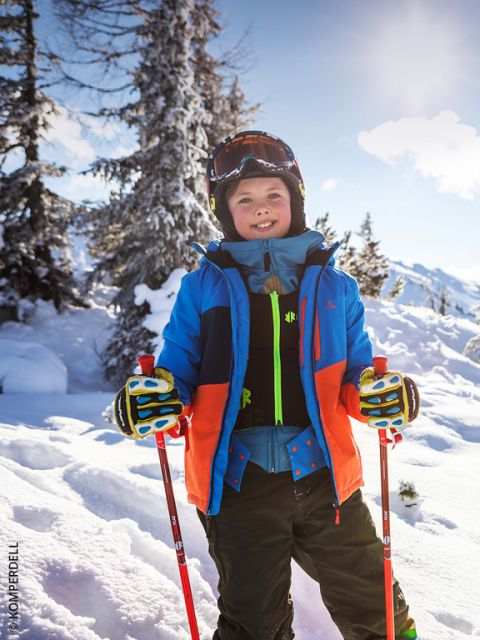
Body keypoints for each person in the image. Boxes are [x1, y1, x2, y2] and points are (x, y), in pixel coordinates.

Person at [114, 131, 420, 640]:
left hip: (326, 477)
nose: (262, 208)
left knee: (376, 605)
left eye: (274, 195)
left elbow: (355, 378)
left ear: (295, 202)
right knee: (253, 622)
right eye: (245, 199)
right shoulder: (201, 287)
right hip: (238, 483)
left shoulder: (335, 287)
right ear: (224, 211)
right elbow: (178, 375)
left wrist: (378, 395)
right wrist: (158, 400)